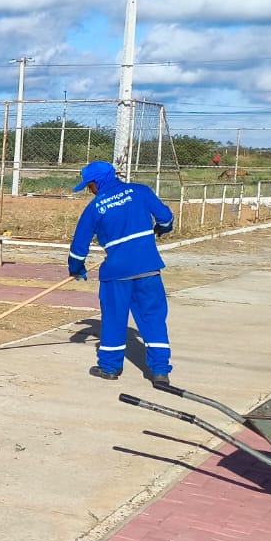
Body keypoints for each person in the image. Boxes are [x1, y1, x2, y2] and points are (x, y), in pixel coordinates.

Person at [68, 159, 175, 387]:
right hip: (148, 269)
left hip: (116, 273)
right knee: (153, 318)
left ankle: (109, 368)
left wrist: (76, 268)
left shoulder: (95, 208)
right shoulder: (141, 192)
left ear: (98, 182)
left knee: (114, 319)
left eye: (89, 185)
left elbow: (79, 246)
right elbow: (166, 219)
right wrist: (161, 229)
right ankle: (160, 372)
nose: (89, 189)